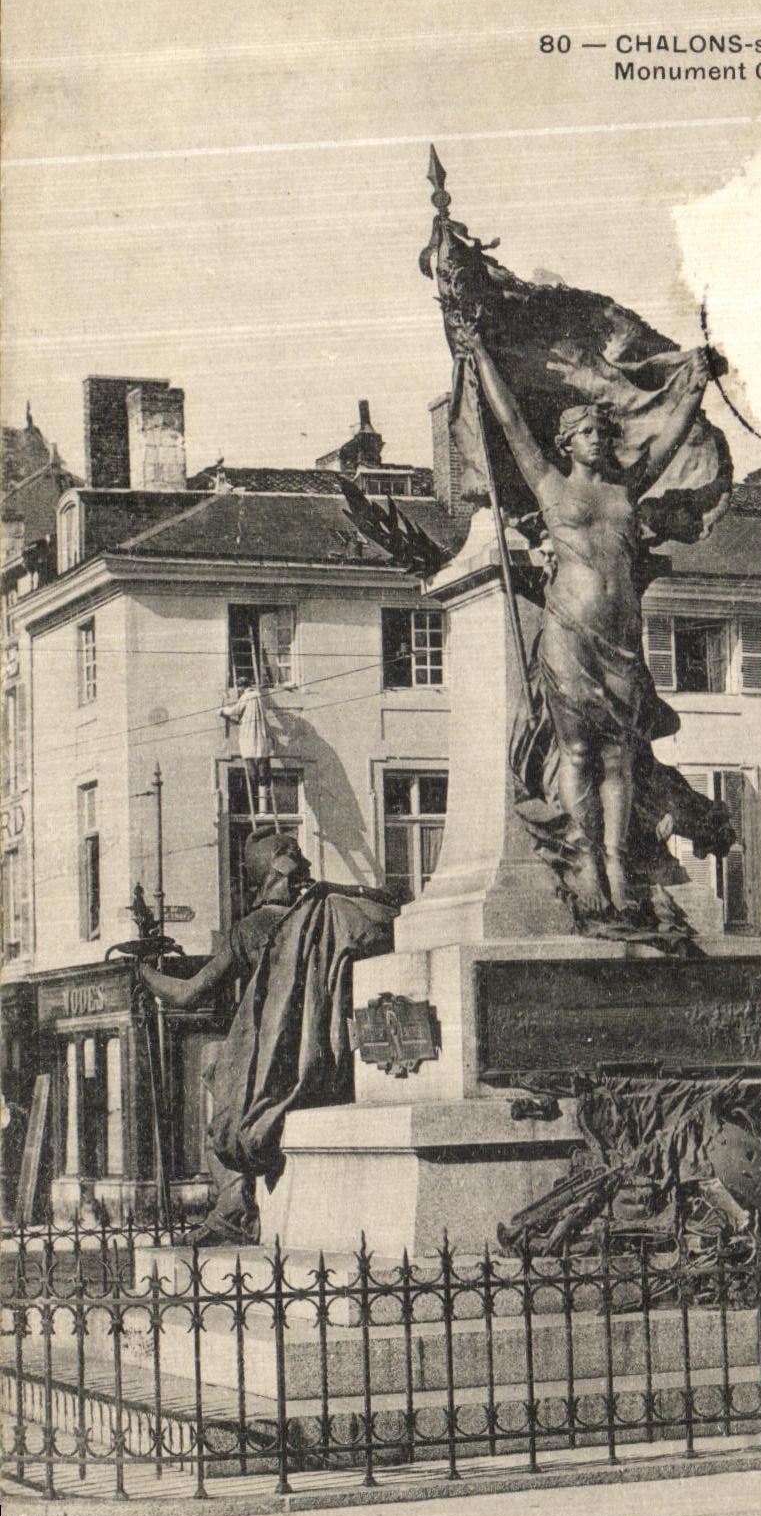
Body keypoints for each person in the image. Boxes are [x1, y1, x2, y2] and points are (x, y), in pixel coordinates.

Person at [458, 321, 730, 916]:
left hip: (622, 641)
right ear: (568, 444)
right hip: (569, 634)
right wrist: (479, 350)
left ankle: (616, 865)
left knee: (620, 760)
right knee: (580, 753)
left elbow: (669, 434)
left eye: (605, 431)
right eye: (589, 432)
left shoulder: (627, 492)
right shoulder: (551, 487)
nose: (601, 439)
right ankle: (584, 863)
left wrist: (697, 384)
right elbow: (510, 424)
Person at [136, 830, 397, 1244]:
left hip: (272, 1073)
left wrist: (145, 973)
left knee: (220, 1089)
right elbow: (393, 908)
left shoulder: (251, 929)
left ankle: (232, 1210)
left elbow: (187, 994)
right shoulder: (334, 912)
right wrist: (338, 887)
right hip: (328, 1063)